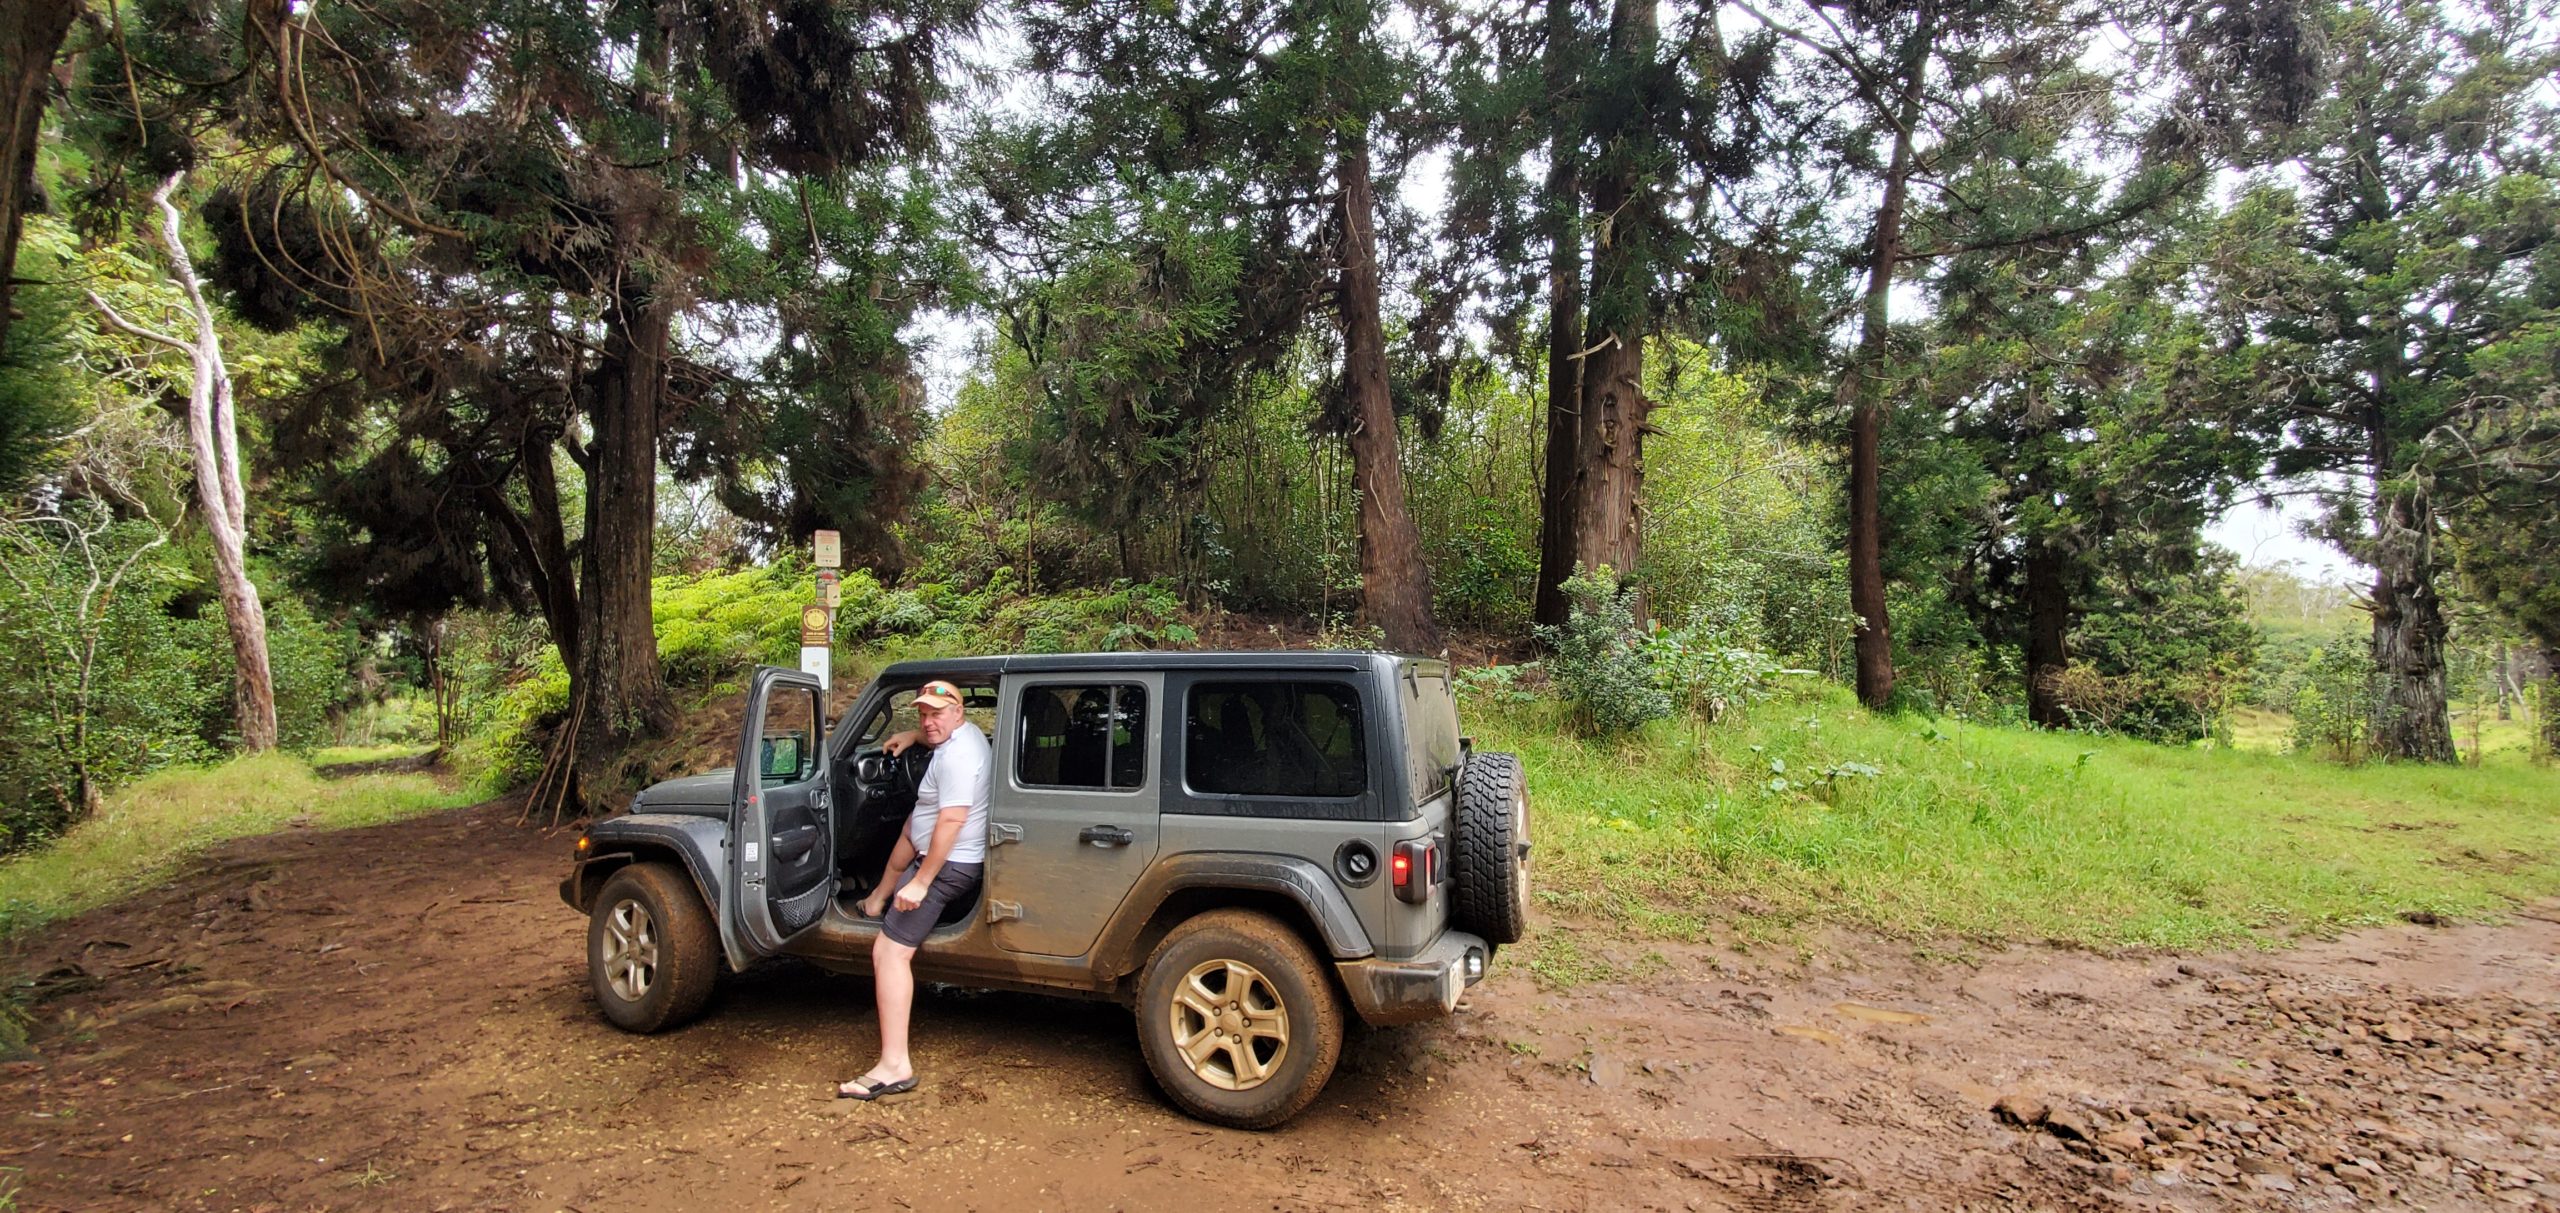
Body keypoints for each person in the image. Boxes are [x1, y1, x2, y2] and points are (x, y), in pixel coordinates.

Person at [834, 679, 990, 1100]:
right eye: (922, 713)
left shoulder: (957, 758)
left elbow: (952, 822)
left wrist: (921, 883)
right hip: (932, 849)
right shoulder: (967, 734)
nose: (928, 720)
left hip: (945, 866)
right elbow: (935, 733)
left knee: (889, 953)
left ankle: (894, 1065)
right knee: (909, 826)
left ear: (958, 712)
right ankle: (875, 898)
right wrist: (911, 736)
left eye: (937, 713)